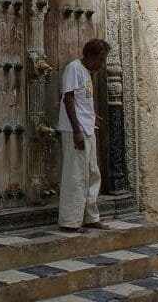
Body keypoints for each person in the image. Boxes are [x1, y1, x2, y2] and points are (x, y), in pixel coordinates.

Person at [57, 39, 110, 232]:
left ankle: (90, 217)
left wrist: (92, 116)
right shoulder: (74, 68)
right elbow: (68, 98)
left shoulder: (87, 72)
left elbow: (81, 100)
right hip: (75, 131)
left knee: (91, 172)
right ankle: (71, 221)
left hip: (87, 128)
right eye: (101, 59)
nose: (102, 64)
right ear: (91, 56)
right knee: (75, 176)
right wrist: (77, 130)